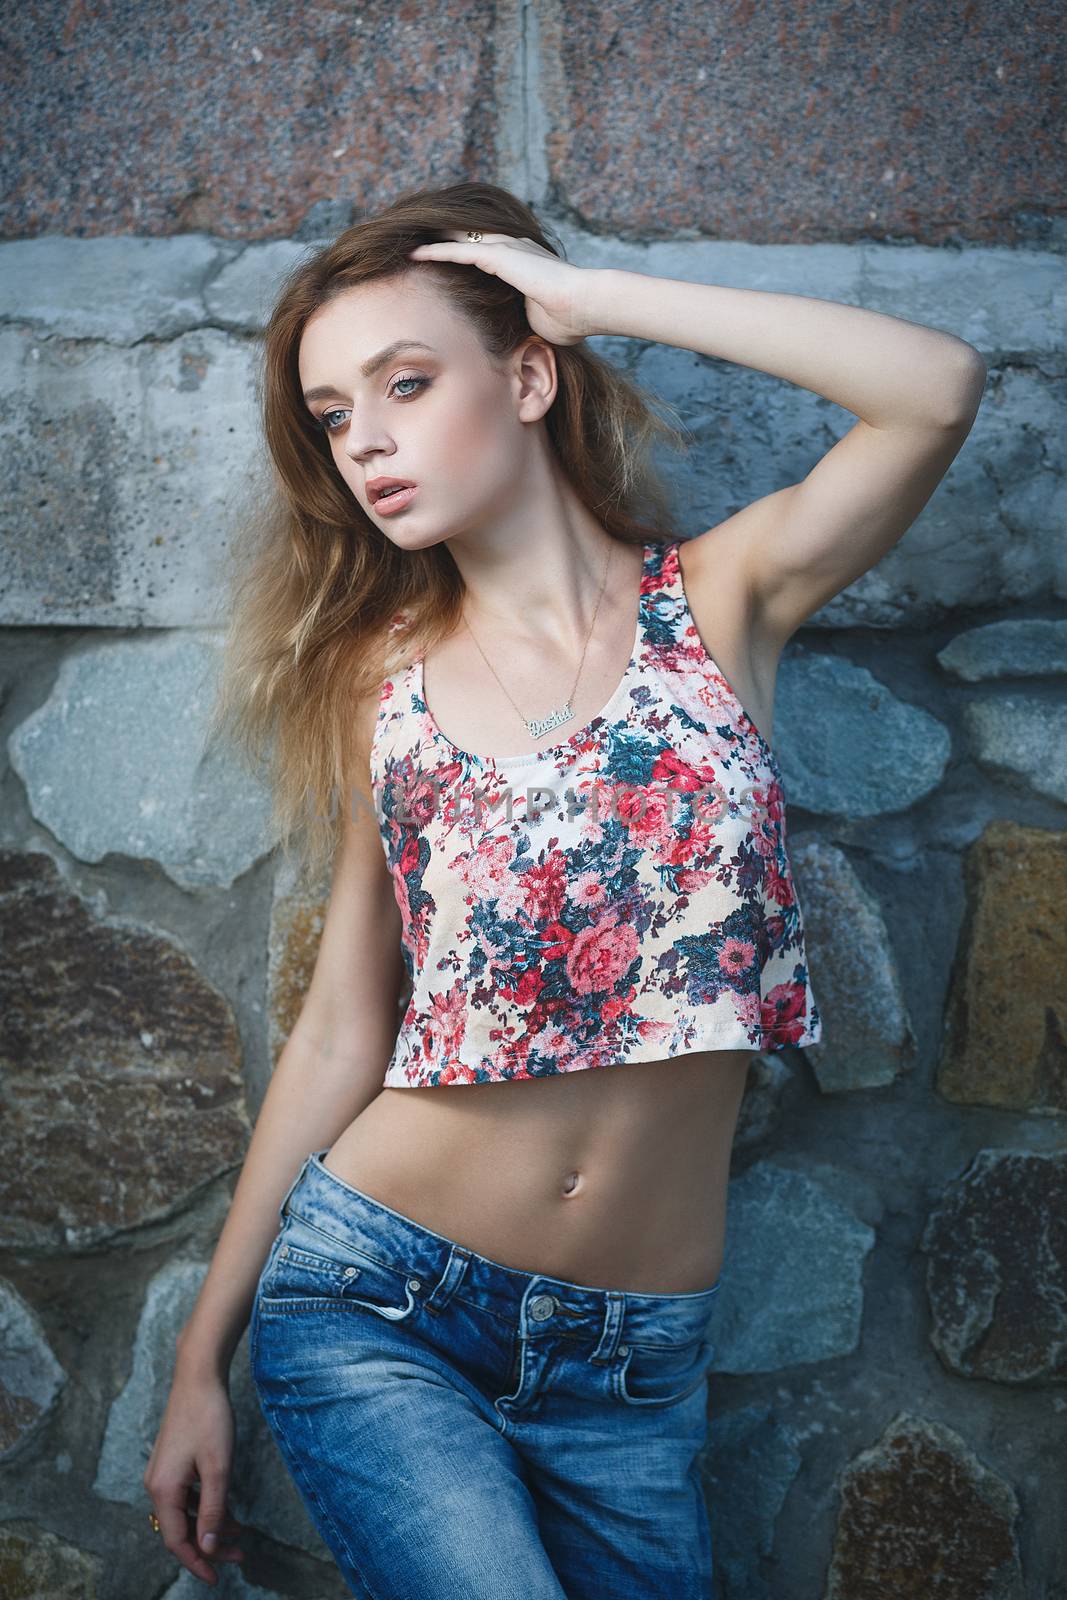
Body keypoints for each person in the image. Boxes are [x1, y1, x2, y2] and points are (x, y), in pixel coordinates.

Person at [143, 181, 986, 1596]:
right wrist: (194, 1360)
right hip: (381, 1305)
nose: (369, 442)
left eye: (407, 384)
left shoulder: (720, 604)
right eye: (336, 416)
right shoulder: (382, 685)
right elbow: (348, 1028)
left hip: (632, 1372)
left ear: (529, 375)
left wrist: (594, 301)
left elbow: (936, 389)